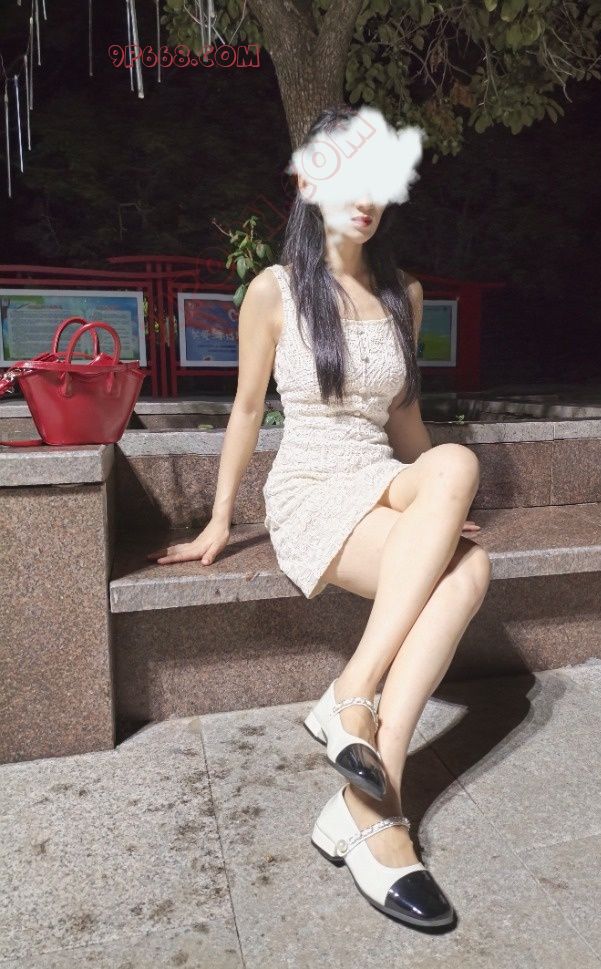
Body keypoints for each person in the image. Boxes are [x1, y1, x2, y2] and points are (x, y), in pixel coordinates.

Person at [147, 104, 492, 930]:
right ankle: (370, 784)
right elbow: (245, 411)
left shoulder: (403, 294)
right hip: (310, 487)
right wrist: (220, 520)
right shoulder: (274, 291)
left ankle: (360, 754)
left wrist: (435, 507)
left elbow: (406, 425)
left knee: (456, 473)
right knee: (470, 570)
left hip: (381, 475)